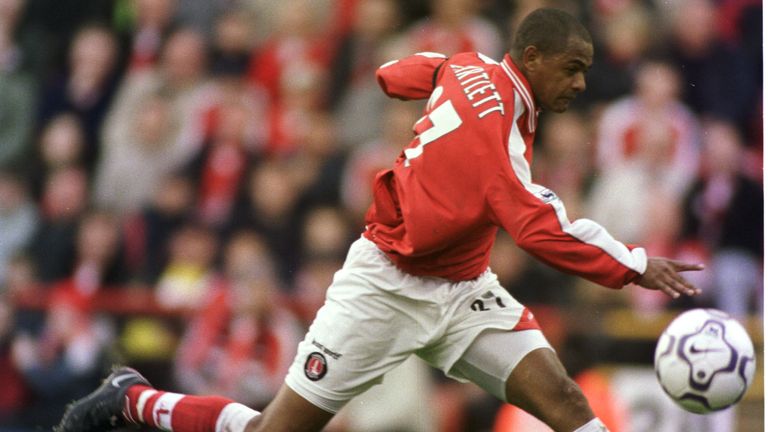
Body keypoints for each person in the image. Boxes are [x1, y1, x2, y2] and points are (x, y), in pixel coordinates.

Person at [56, 8, 703, 432]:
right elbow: (542, 228)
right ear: (532, 57)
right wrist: (637, 265)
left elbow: (399, 74)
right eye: (573, 69)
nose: (582, 85)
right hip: (385, 286)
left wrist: (409, 88)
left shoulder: (471, 66)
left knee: (563, 401)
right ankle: (133, 398)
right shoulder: (498, 137)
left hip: (463, 288)